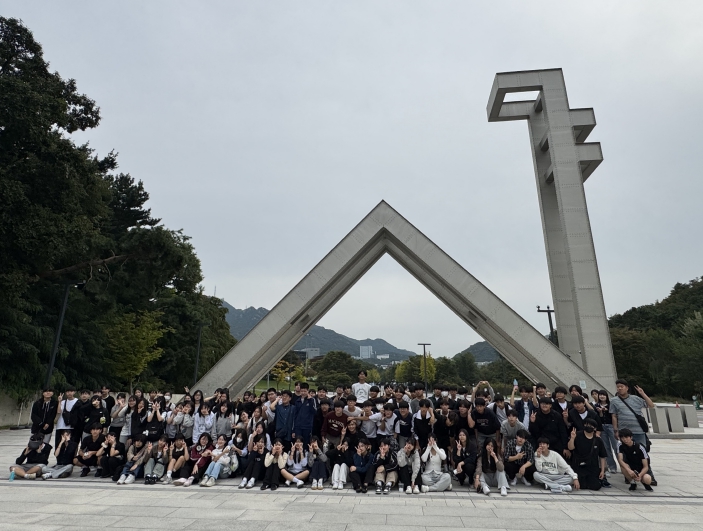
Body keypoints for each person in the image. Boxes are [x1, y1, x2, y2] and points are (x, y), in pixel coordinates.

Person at [610, 379, 656, 484]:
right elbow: (614, 416)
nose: (620, 388)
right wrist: (616, 430)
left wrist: (642, 393)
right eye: (618, 387)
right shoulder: (614, 400)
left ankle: (649, 475)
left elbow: (651, 405)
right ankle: (628, 475)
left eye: (622, 386)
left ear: (627, 388)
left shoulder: (636, 399)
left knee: (643, 453)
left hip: (638, 431)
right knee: (625, 454)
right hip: (624, 432)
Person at [567, 419, 608, 490]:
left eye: (591, 425)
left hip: (592, 467)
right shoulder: (578, 435)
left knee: (596, 486)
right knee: (582, 486)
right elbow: (570, 448)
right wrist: (572, 438)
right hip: (579, 466)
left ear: (595, 428)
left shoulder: (598, 440)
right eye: (586, 425)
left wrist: (602, 471)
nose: (588, 427)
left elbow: (602, 456)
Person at [594, 390, 618, 474]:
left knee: (616, 446)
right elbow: (598, 418)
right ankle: (612, 467)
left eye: (603, 395)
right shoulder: (596, 405)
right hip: (602, 427)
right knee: (606, 448)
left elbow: (614, 416)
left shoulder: (611, 404)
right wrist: (600, 412)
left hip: (611, 426)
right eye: (600, 395)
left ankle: (623, 465)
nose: (602, 396)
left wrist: (607, 410)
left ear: (606, 396)